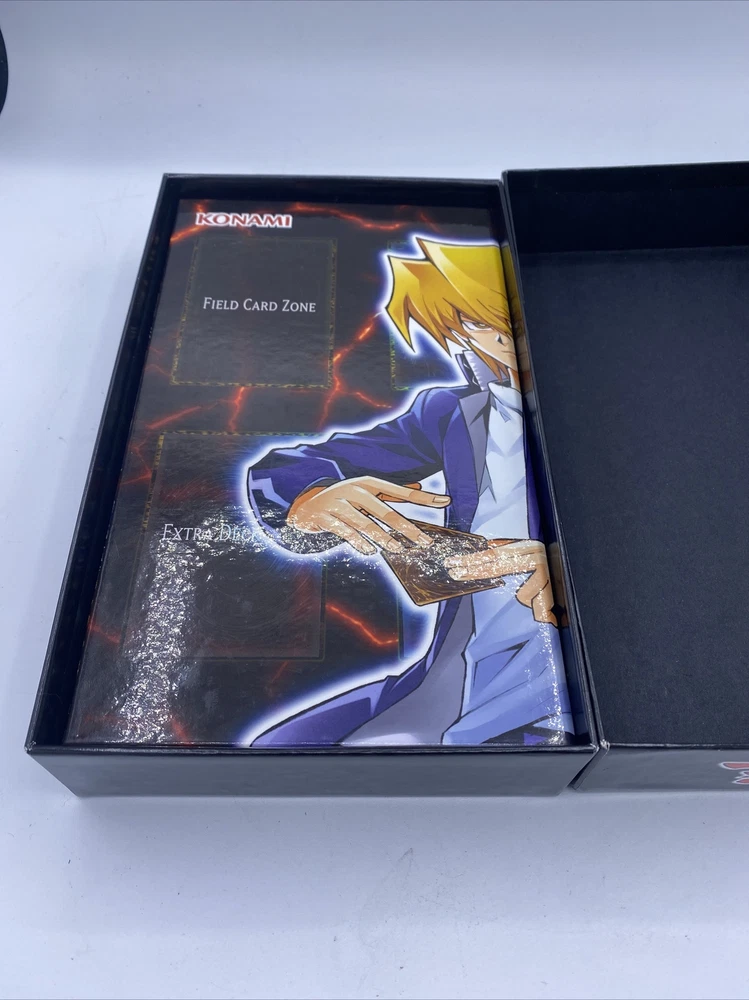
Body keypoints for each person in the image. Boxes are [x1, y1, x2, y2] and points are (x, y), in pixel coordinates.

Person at [247, 238, 572, 746]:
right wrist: (309, 500)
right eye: (480, 321)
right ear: (460, 332)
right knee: (276, 750)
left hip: (560, 692)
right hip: (457, 678)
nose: (505, 336)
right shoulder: (453, 413)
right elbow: (293, 467)